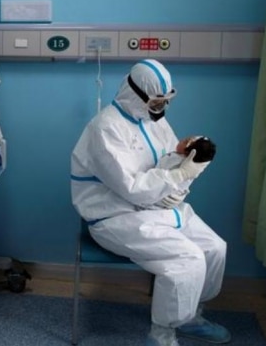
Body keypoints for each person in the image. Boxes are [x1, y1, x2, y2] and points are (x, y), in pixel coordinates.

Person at [70, 59, 230, 346]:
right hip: (116, 217)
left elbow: (167, 165)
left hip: (158, 209)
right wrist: (178, 175)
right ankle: (162, 335)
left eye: (165, 102)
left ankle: (190, 315)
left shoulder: (156, 122)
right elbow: (132, 188)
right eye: (156, 102)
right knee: (187, 260)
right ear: (134, 93)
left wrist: (186, 162)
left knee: (215, 249)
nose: (161, 109)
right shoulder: (105, 129)